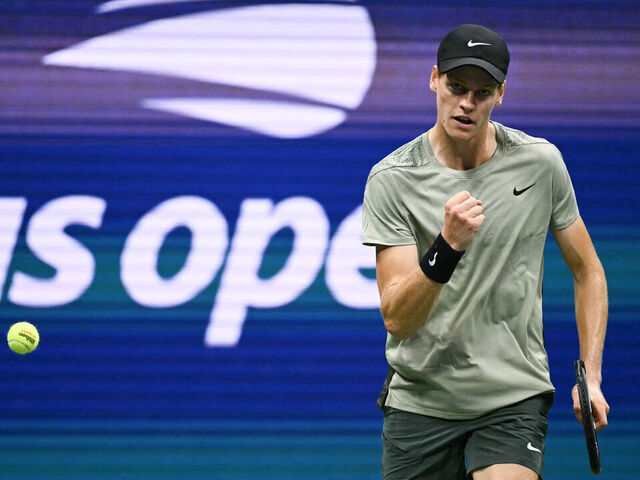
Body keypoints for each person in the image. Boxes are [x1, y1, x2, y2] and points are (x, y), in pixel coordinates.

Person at [361, 24, 609, 480]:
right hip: (420, 401)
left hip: (511, 396)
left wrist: (590, 376)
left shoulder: (540, 163)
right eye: (456, 87)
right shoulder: (392, 179)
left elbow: (588, 271)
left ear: (501, 94)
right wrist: (447, 247)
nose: (466, 104)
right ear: (434, 79)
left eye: (482, 93)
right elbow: (398, 319)